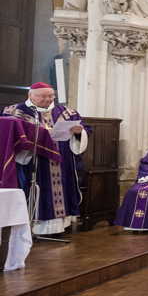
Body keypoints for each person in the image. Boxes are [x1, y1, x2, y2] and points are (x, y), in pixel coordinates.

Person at [4, 83, 87, 235]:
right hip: (34, 162)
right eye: (43, 96)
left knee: (62, 191)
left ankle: (59, 227)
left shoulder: (66, 112)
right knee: (37, 191)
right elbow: (8, 136)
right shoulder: (14, 112)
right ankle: (32, 227)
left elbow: (82, 132)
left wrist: (78, 133)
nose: (48, 99)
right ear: (31, 95)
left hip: (62, 162)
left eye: (51, 96)